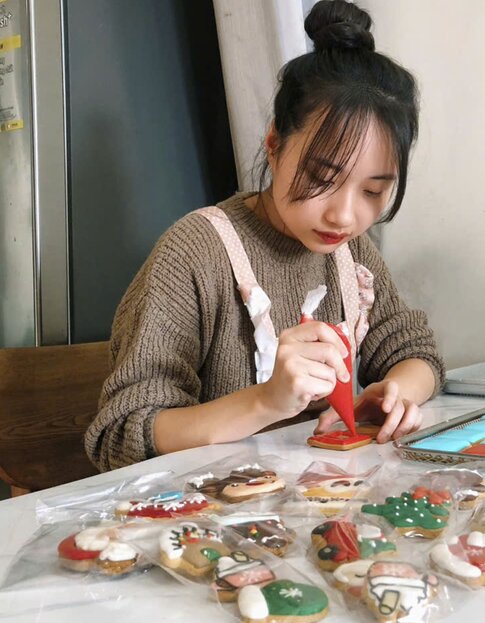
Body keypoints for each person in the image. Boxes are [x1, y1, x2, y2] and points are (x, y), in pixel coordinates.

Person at [85, 0, 444, 472]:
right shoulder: (196, 251)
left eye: (374, 190)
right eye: (323, 177)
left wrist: (397, 393)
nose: (344, 215)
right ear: (274, 146)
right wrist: (267, 402)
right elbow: (122, 435)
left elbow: (415, 353)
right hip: (204, 523)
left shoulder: (350, 255)